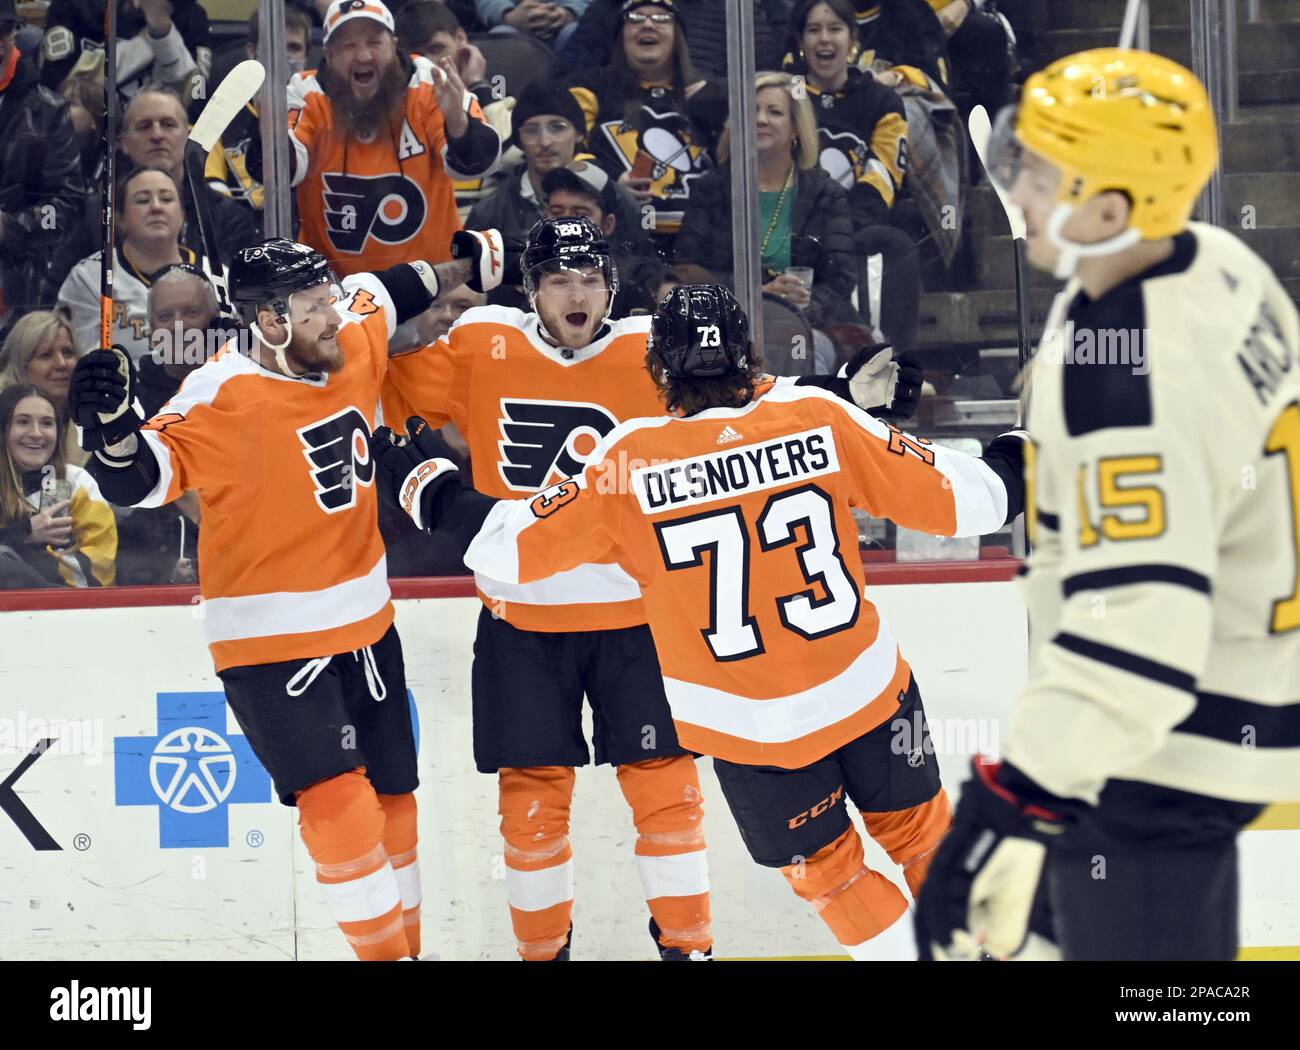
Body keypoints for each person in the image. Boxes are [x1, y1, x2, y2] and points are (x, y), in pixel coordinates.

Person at [372, 283, 1026, 959]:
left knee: (835, 878)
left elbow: (506, 546)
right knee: (926, 839)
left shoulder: (630, 460)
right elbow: (974, 501)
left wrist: (428, 483)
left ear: (658, 371)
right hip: (866, 691)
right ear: (748, 354)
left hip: (750, 730)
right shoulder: (818, 418)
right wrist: (1023, 449)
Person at [915, 49, 1300, 962]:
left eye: (1044, 174)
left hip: (1162, 737)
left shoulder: (1125, 372)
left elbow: (1139, 629)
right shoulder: (1217, 259)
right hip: (1234, 689)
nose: (1017, 184)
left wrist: (1013, 804)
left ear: (1113, 209)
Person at [66, 229, 504, 960]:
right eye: (311, 307)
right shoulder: (218, 393)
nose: (332, 316)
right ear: (269, 322)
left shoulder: (346, 332)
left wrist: (478, 258)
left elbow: (398, 287)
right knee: (340, 808)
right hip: (269, 641)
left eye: (329, 298)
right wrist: (110, 427)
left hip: (368, 622)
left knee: (396, 800)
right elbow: (141, 478)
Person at [255, 0, 502, 278]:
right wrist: (269, 127)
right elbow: (277, 172)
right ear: (329, 54)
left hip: (433, 285)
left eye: (374, 42)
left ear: (394, 46)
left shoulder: (430, 82)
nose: (362, 56)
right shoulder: (305, 94)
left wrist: (457, 122)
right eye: (348, 46)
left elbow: (481, 165)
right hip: (335, 295)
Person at [674, 72, 860, 344]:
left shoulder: (825, 194)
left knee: (799, 348)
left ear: (796, 128)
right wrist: (758, 295)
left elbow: (840, 281)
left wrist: (797, 307)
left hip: (811, 327)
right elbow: (686, 271)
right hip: (727, 325)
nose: (761, 120)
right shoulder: (711, 188)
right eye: (752, 111)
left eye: (774, 112)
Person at [790, 0, 921, 357]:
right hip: (797, 220)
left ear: (853, 39)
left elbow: (882, 178)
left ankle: (892, 359)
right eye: (814, 30)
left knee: (894, 243)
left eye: (834, 29)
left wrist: (839, 226)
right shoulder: (787, 97)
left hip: (856, 222)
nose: (824, 39)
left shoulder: (882, 100)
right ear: (801, 40)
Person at [565, 0, 724, 248]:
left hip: (701, 242)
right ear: (621, 36)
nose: (648, 25)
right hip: (620, 240)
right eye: (635, 18)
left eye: (661, 19)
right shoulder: (589, 88)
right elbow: (569, 156)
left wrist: (718, 104)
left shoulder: (709, 93)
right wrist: (612, 183)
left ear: (678, 35)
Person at [464, 80, 642, 288]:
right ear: (519, 140)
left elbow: (640, 269)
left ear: (579, 134)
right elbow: (471, 283)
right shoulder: (490, 211)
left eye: (557, 127)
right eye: (531, 130)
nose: (545, 141)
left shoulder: (619, 202)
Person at [58, 166, 215, 365]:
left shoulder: (218, 277)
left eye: (166, 199)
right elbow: (80, 361)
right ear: (119, 219)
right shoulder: (90, 278)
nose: (156, 207)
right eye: (142, 200)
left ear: (182, 215)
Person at [0, 0, 85, 315]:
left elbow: (68, 204)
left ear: (15, 34)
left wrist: (10, 226)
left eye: (3, 30)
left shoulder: (49, 111)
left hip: (17, 283)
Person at [0, 383, 116, 588]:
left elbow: (100, 573)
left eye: (47, 423)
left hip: (69, 612)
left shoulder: (77, 482)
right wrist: (25, 533)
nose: (36, 433)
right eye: (23, 422)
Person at [204, 5, 314, 214]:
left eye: (293, 47)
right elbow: (214, 203)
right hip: (236, 239)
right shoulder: (218, 118)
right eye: (274, 46)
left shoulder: (319, 118)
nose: (284, 58)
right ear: (252, 52)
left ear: (307, 56)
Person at [559, 0, 787, 81]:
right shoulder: (610, 7)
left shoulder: (735, 10)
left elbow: (768, 82)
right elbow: (568, 81)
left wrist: (710, 93)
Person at [541, 165, 659, 318]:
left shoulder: (637, 281)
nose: (566, 223)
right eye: (557, 212)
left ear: (608, 224)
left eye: (580, 215)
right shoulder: (527, 272)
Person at [39, 0, 211, 104]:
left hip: (160, 136)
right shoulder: (72, 7)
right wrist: (155, 40)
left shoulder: (191, 15)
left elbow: (197, 99)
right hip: (91, 138)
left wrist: (160, 27)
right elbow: (57, 91)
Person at [0, 310, 84, 465]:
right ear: (20, 365)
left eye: (68, 353)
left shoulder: (98, 419)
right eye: (46, 355)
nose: (61, 364)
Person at [475, 0, 589, 48]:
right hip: (514, 23)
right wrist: (507, 15)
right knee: (502, 36)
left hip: (569, 22)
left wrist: (570, 12)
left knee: (575, 32)